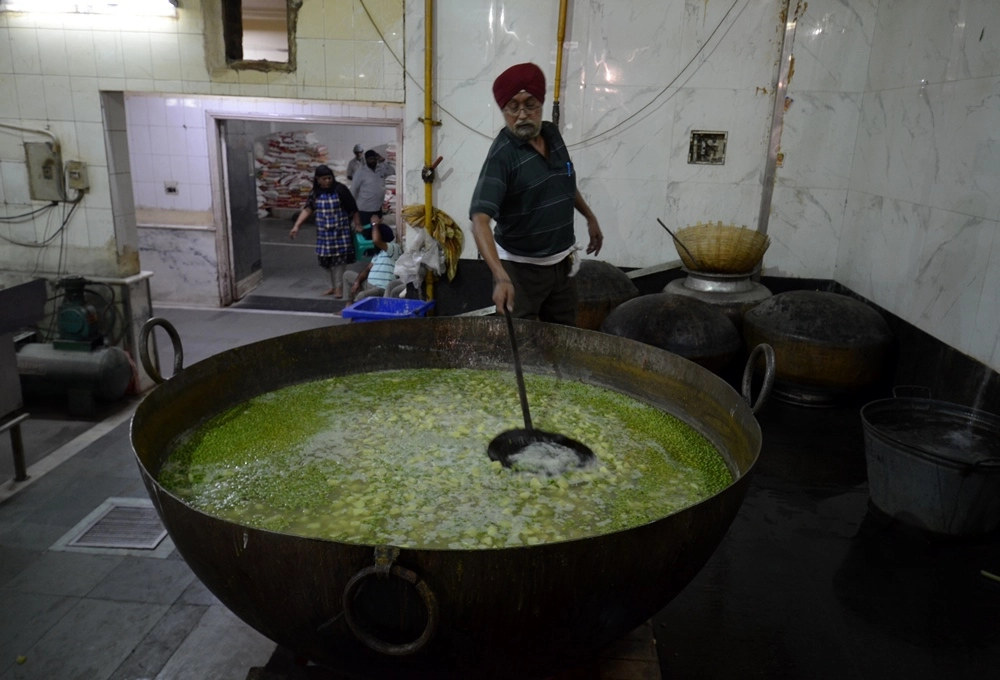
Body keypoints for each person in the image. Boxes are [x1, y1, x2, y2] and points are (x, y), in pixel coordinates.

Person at [469, 62, 603, 326]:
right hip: (520, 270)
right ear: (504, 111)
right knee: (522, 343)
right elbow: (479, 220)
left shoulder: (552, 134)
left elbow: (564, 182)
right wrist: (501, 276)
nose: (522, 115)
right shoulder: (503, 155)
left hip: (562, 264)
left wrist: (589, 216)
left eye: (530, 105)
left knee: (565, 336)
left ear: (541, 104)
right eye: (513, 107)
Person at [289, 165, 361, 298]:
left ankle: (339, 288)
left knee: (339, 261)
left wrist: (357, 224)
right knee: (325, 261)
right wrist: (297, 226)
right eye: (324, 179)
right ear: (317, 179)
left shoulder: (340, 190)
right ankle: (331, 286)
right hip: (324, 234)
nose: (328, 181)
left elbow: (353, 208)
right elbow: (308, 209)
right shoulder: (315, 193)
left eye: (329, 178)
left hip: (341, 232)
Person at [344, 216, 403, 301]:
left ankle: (355, 308)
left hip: (380, 288)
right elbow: (367, 269)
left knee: (362, 296)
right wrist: (357, 282)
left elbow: (376, 241)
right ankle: (348, 305)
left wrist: (375, 225)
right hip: (369, 284)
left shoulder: (394, 248)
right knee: (347, 275)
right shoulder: (379, 253)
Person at [351, 149, 396, 227]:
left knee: (377, 230)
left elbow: (392, 171)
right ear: (366, 160)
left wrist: (383, 161)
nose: (372, 161)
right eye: (370, 159)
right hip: (364, 210)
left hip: (377, 209)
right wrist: (352, 209)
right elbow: (353, 190)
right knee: (366, 230)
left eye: (374, 159)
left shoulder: (381, 169)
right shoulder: (360, 172)